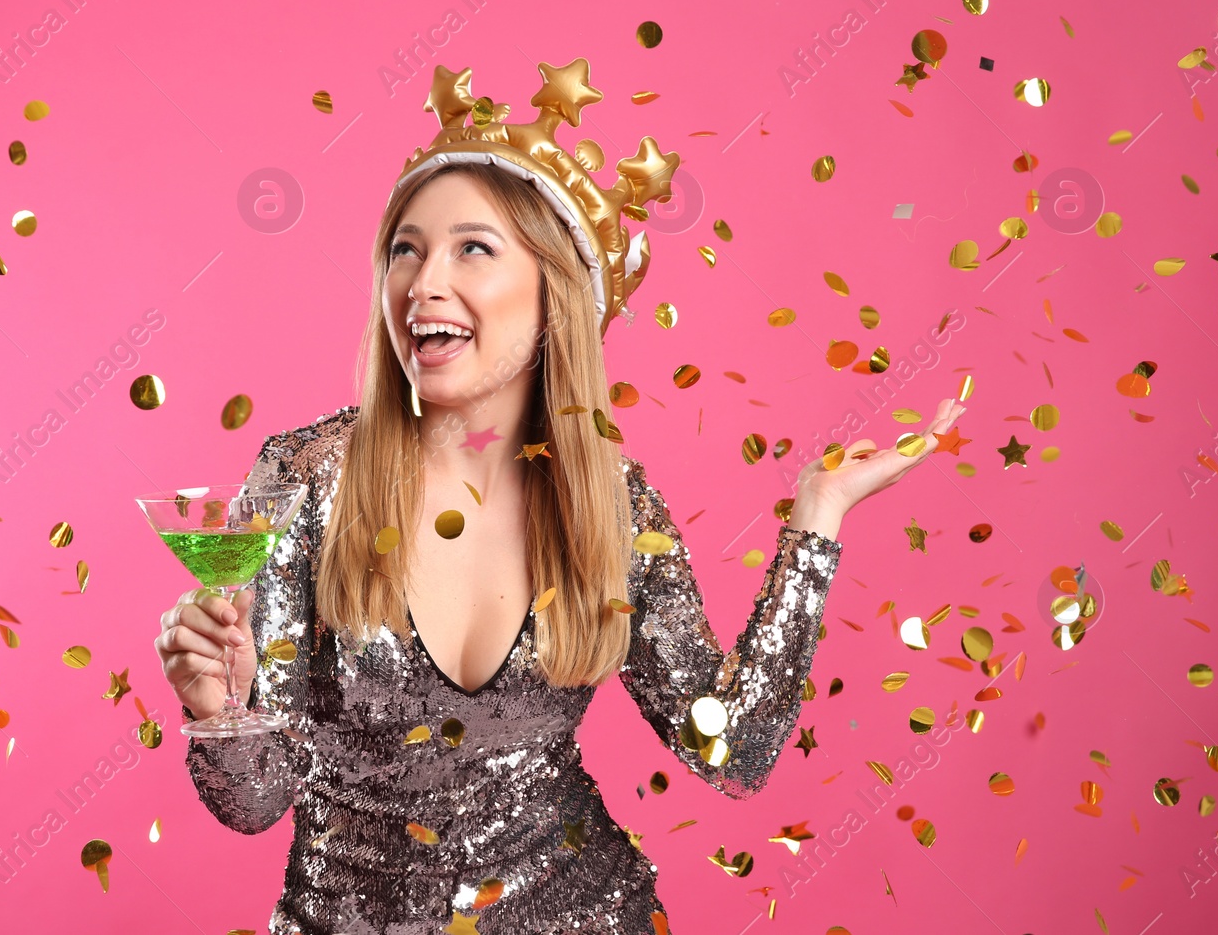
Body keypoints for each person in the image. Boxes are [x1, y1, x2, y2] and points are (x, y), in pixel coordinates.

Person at [154, 59, 966, 934]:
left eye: (472, 246)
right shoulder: (303, 480)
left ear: (553, 295)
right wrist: (217, 709)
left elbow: (734, 749)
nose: (424, 281)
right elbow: (256, 802)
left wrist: (818, 517)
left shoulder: (612, 506)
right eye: (406, 248)